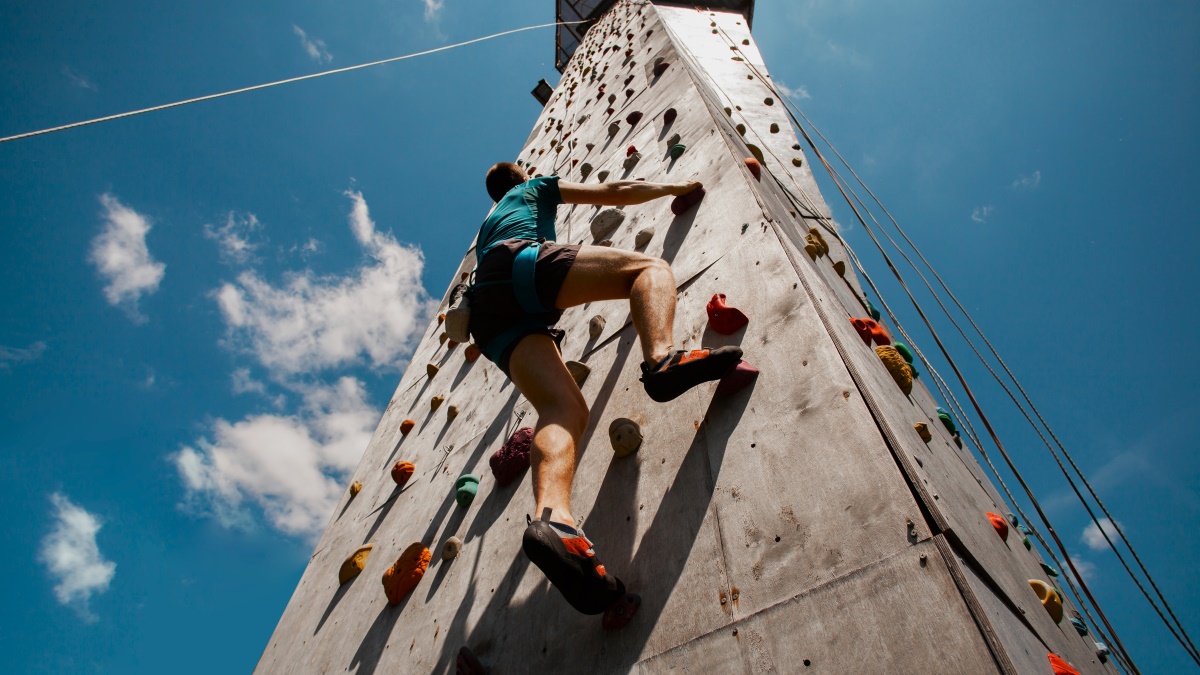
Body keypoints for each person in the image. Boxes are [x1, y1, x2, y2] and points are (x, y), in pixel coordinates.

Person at [467, 162, 743, 616]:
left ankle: (554, 521)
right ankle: (662, 359)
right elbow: (615, 189)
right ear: (521, 178)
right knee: (646, 269)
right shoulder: (533, 189)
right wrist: (676, 185)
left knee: (562, 410)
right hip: (520, 267)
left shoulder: (487, 223)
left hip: (487, 316)